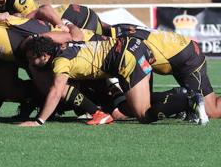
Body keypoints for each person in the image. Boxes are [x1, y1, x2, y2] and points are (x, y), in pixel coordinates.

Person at [20, 34, 206, 126]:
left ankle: (187, 100)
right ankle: (179, 98)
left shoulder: (60, 62)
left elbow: (56, 90)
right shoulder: (64, 46)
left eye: (31, 58)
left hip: (126, 57)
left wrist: (39, 121)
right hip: (134, 46)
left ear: (44, 55)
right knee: (133, 106)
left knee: (142, 114)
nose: (30, 63)